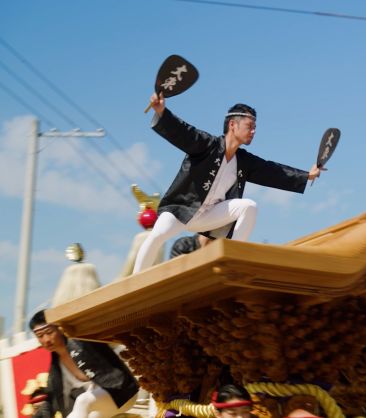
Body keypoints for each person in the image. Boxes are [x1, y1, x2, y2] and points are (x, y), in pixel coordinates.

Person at [133, 94, 321, 274]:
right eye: (250, 126)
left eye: (255, 127)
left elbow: (274, 171)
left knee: (249, 206)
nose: (254, 131)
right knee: (156, 236)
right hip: (182, 208)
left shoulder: (245, 161)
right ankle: (133, 286)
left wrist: (307, 176)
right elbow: (183, 131)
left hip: (209, 216)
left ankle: (233, 260)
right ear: (233, 124)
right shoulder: (207, 144)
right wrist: (162, 113)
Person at [30, 311, 139, 418]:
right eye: (40, 336)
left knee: (82, 401)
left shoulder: (82, 341)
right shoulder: (56, 365)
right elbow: (53, 396)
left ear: (59, 329)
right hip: (101, 399)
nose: (46, 339)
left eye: (49, 332)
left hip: (122, 390)